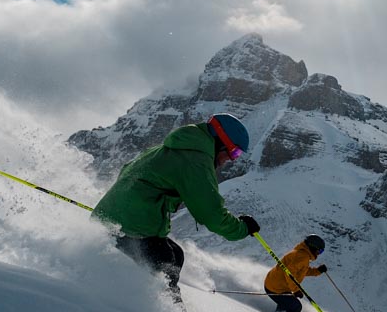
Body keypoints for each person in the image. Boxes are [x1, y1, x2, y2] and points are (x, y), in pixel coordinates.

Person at [91, 113, 260, 301]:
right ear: (221, 142)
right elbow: (211, 214)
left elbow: (127, 169)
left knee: (176, 255)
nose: (231, 159)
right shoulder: (196, 160)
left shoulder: (178, 145)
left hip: (113, 216)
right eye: (234, 152)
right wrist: (242, 228)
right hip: (129, 225)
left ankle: (155, 302)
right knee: (166, 265)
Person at [264, 234, 328, 312]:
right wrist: (296, 290)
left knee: (288, 303)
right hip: (276, 288)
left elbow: (302, 271)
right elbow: (289, 273)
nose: (319, 254)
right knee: (296, 307)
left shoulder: (303, 254)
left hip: (275, 285)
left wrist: (317, 271)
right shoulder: (302, 257)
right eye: (320, 251)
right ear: (313, 247)